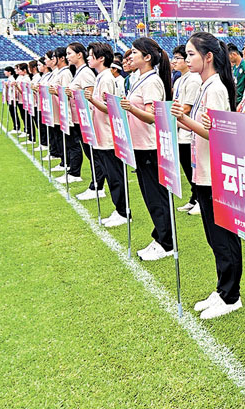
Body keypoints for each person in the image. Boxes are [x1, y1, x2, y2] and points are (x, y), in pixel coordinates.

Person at [171, 33, 244, 320]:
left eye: (191, 54)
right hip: (203, 171)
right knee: (214, 237)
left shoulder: (215, 88)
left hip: (215, 173)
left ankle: (231, 295)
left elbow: (218, 134)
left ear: (208, 56)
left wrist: (184, 120)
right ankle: (223, 288)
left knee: (223, 237)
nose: (186, 59)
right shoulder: (205, 85)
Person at [120, 37, 175, 261]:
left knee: (156, 196)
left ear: (147, 57)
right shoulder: (140, 79)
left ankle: (166, 242)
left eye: (135, 52)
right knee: (149, 195)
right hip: (140, 144)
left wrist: (130, 108)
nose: (130, 56)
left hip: (150, 145)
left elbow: (153, 117)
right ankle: (160, 236)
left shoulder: (152, 81)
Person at [84, 42, 128, 227]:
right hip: (101, 133)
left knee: (115, 175)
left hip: (109, 135)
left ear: (101, 58)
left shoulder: (107, 78)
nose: (88, 58)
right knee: (111, 175)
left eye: (91, 55)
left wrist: (91, 99)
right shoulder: (101, 77)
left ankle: (123, 212)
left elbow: (111, 107)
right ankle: (119, 209)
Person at [170, 45, 201, 215]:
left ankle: (199, 199)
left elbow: (187, 108)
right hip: (180, 129)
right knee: (187, 167)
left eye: (178, 58)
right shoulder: (179, 80)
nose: (174, 61)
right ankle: (194, 197)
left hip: (189, 130)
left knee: (193, 168)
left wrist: (173, 116)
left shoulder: (193, 79)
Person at [65, 42, 98, 191]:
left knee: (93, 154)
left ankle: (97, 186)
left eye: (70, 53)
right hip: (79, 118)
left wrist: (72, 93)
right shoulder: (78, 72)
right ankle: (95, 184)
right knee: (89, 153)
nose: (67, 57)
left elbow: (90, 96)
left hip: (86, 119)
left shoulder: (86, 73)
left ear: (79, 55)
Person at [48, 48, 73, 175]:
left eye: (54, 56)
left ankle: (70, 166)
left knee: (69, 142)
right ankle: (64, 162)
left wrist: (56, 92)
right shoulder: (58, 72)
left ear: (61, 58)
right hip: (57, 111)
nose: (52, 59)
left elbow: (67, 93)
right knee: (60, 139)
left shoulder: (65, 73)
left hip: (64, 111)